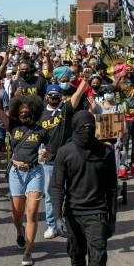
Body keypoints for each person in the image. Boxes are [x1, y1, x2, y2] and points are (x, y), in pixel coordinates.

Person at [51, 111, 117, 266]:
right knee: (76, 256)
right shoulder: (65, 152)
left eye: (91, 126)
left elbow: (112, 188)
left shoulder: (105, 152)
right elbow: (57, 187)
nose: (87, 130)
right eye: (83, 127)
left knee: (98, 261)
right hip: (73, 214)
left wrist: (112, 218)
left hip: (97, 214)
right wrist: (57, 216)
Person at [0, 80, 47, 266]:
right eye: (21, 109)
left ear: (34, 110)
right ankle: (19, 232)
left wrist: (47, 153)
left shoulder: (41, 130)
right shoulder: (12, 126)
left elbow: (50, 148)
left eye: (27, 109)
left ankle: (28, 252)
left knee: (31, 213)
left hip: (35, 173)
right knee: (17, 214)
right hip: (16, 173)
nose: (24, 112)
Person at [38, 79, 88, 238]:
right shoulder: (40, 114)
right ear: (46, 96)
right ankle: (51, 225)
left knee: (69, 192)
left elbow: (78, 94)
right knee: (49, 194)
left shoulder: (65, 109)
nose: (54, 97)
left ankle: (66, 223)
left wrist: (85, 79)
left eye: (57, 95)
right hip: (49, 161)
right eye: (51, 95)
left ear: (61, 96)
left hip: (67, 158)